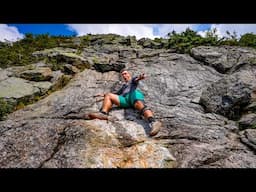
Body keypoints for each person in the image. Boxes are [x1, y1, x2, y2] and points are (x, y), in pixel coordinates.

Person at [90, 68, 162, 136]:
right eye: (123, 75)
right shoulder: (124, 86)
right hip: (125, 100)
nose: (124, 75)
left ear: (129, 74)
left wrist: (140, 77)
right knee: (109, 95)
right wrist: (103, 95)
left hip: (132, 95)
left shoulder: (132, 80)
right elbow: (116, 94)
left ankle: (153, 122)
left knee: (139, 103)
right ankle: (103, 113)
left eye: (125, 73)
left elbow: (136, 79)